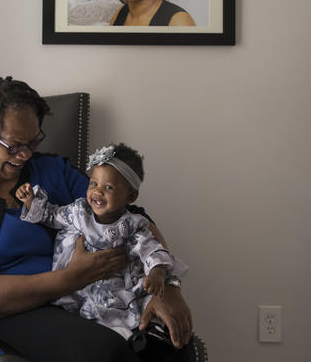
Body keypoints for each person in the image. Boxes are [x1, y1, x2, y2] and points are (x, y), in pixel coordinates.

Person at [0, 74, 200, 361]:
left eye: (33, 142)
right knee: (104, 352)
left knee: (173, 345)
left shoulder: (54, 170)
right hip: (13, 311)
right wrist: (69, 278)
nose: (25, 155)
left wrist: (168, 289)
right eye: (14, 145)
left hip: (89, 296)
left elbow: (132, 217)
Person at [16, 143, 189, 346]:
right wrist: (30, 202)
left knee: (127, 311)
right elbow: (52, 215)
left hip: (115, 287)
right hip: (79, 285)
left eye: (108, 187)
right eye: (93, 184)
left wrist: (157, 272)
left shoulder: (130, 225)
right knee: (86, 316)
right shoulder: (79, 212)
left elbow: (149, 248)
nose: (97, 192)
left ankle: (141, 337)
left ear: (130, 196)